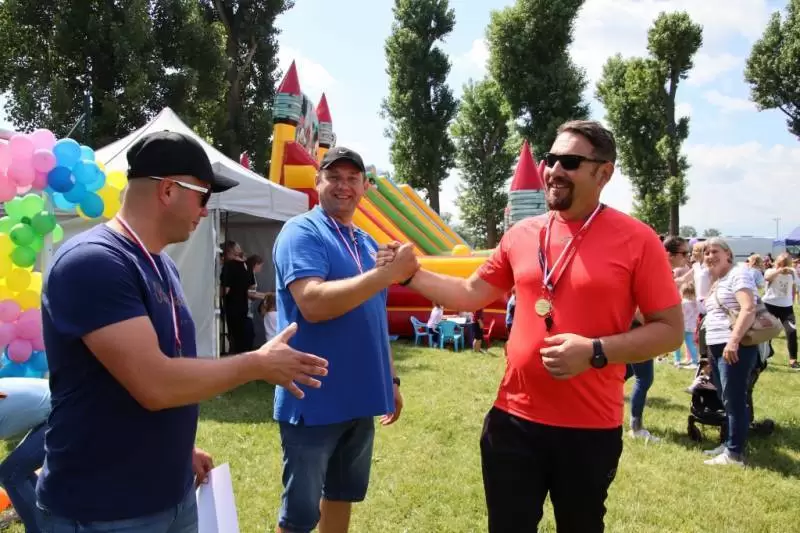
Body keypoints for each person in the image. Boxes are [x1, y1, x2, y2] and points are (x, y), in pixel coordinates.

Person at [378, 120, 682, 532]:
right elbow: (469, 292)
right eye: (550, 159)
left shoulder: (638, 240)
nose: (554, 170)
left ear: (604, 173)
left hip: (589, 428)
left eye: (570, 162)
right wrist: (411, 274)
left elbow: (670, 330)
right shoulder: (522, 234)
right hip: (512, 420)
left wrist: (595, 351)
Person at [38, 130, 329, 532]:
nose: (206, 211)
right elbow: (154, 383)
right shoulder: (93, 262)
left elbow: (161, 370)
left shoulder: (162, 265)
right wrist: (257, 364)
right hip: (104, 509)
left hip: (170, 493)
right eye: (203, 196)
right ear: (168, 190)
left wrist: (180, 450)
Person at [272, 146, 419, 533]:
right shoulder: (301, 231)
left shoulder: (368, 242)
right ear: (317, 182)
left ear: (365, 187)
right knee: (299, 516)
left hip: (359, 399)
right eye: (334, 177)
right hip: (313, 396)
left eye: (353, 178)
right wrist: (384, 275)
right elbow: (312, 304)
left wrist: (391, 379)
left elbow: (375, 317)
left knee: (342, 495)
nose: (344, 186)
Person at [700, 237, 759, 466]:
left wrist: (733, 341)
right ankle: (729, 444)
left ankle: (734, 454)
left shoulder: (738, 274)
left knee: (734, 399)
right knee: (726, 397)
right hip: (717, 346)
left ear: (728, 254)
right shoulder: (718, 280)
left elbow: (748, 307)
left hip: (734, 347)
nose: (710, 256)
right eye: (706, 253)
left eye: (715, 251)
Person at [0, 378, 51, 532]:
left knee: (11, 474)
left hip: (65, 412)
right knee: (16, 471)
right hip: (62, 409)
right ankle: (50, 521)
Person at [763, 252, 798, 368]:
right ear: (777, 263)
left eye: (786, 264)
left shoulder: (792, 273)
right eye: (781, 264)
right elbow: (767, 278)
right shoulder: (770, 271)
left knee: (791, 331)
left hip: (786, 307)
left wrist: (792, 273)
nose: (784, 266)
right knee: (766, 333)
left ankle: (793, 360)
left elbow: (797, 284)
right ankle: (765, 355)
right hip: (770, 304)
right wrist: (779, 271)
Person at [220, 241, 255, 353]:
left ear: (228, 252)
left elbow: (226, 290)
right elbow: (251, 285)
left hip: (231, 307)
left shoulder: (229, 266)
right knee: (242, 338)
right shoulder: (248, 265)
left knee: (233, 337)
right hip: (243, 306)